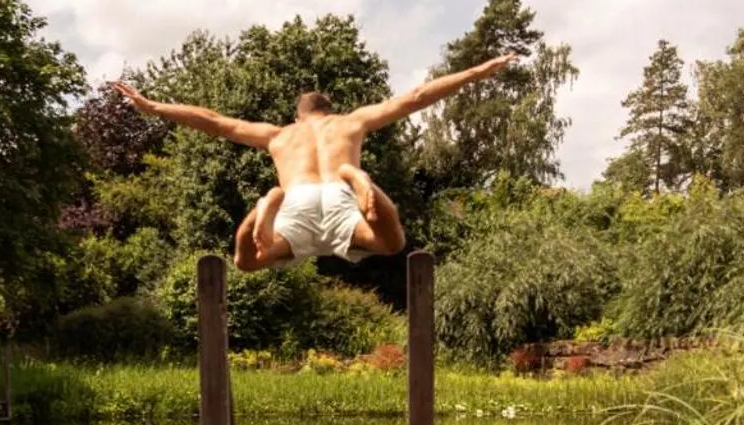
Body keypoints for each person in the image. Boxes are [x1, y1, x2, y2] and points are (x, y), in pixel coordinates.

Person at [112, 53, 517, 271]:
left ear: (298, 115)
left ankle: (263, 209)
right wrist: (476, 72)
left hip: (296, 200)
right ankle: (361, 180)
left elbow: (216, 123)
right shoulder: (351, 123)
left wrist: (153, 105)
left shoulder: (279, 136)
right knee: (393, 244)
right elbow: (415, 98)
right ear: (330, 110)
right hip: (342, 197)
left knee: (247, 261)